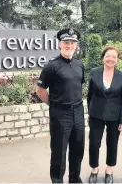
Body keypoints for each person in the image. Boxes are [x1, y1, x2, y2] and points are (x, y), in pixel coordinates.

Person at [36, 28, 85, 183]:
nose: (69, 45)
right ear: (60, 44)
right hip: (60, 114)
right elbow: (40, 90)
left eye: (72, 43)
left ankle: (75, 179)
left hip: (78, 113)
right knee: (59, 151)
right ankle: (57, 180)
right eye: (66, 42)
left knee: (78, 149)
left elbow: (77, 86)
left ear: (75, 45)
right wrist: (54, 104)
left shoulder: (79, 65)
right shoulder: (51, 66)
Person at [87, 46, 122, 184]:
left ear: (117, 60)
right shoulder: (94, 72)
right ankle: (94, 169)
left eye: (114, 57)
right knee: (94, 143)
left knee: (112, 144)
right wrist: (90, 112)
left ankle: (109, 170)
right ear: (103, 57)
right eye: (108, 56)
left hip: (114, 116)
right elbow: (90, 95)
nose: (110, 59)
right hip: (96, 115)